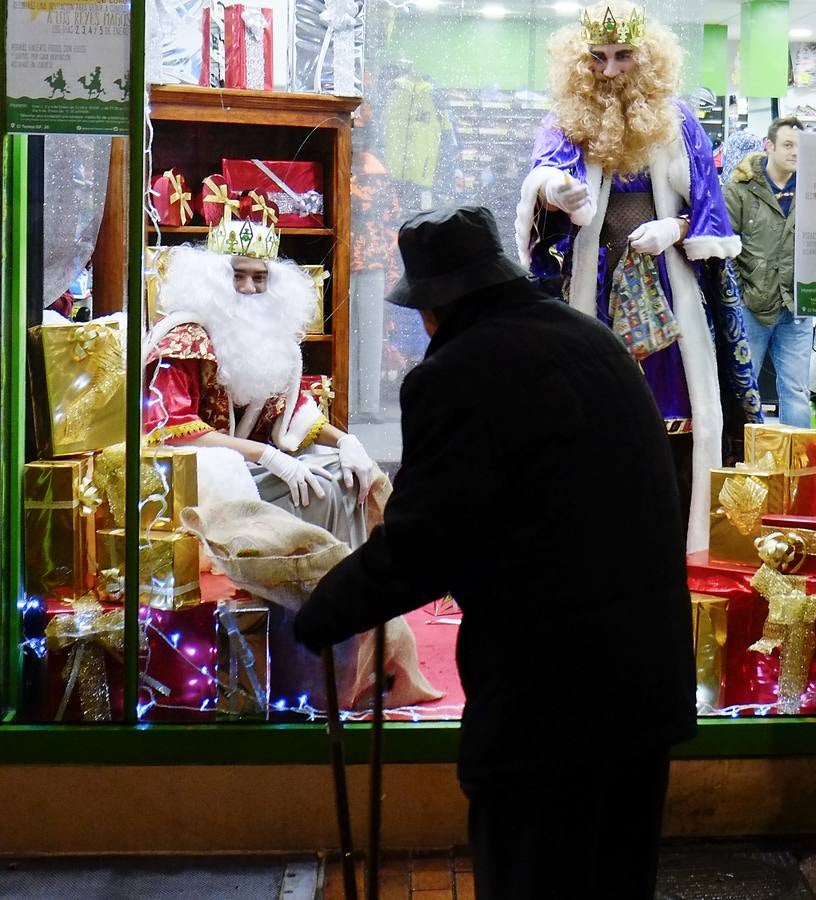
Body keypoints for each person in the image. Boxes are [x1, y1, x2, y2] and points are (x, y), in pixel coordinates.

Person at [294, 206, 697, 900]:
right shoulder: (593, 342)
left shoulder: (459, 372)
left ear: (435, 305)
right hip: (642, 683)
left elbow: (427, 540)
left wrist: (324, 607)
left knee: (532, 878)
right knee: (616, 879)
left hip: (548, 701)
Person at [514, 1, 761, 553]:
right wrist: (555, 191)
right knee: (590, 411)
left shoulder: (680, 121)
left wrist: (674, 230)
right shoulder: (565, 121)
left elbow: (708, 210)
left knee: (674, 414)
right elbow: (543, 181)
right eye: (597, 58)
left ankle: (671, 540)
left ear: (645, 58)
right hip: (593, 289)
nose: (609, 70)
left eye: (623, 55)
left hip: (666, 293)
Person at [143, 215, 377, 542]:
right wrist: (264, 455)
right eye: (238, 276)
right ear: (211, 280)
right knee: (322, 491)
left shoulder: (262, 341)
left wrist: (345, 441)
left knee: (345, 474)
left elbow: (286, 408)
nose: (249, 288)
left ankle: (345, 575)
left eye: (259, 278)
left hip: (244, 464)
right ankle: (316, 578)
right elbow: (170, 427)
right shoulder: (183, 339)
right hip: (194, 476)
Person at [722, 116, 812, 427]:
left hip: (797, 308)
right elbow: (725, 246)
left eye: (800, 146)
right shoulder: (740, 189)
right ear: (769, 145)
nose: (795, 152)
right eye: (788, 145)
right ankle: (742, 461)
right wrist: (741, 294)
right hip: (752, 308)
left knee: (797, 391)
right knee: (743, 390)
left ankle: (799, 469)